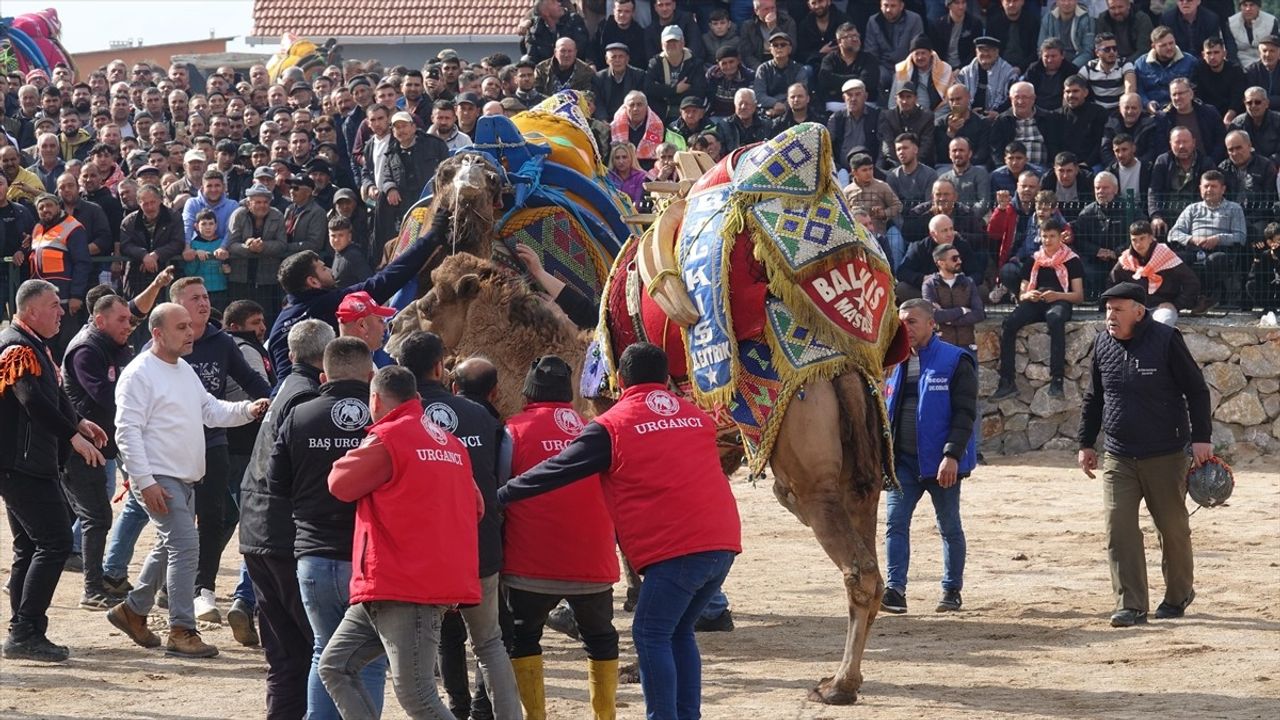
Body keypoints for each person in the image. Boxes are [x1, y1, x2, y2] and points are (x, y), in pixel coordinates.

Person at [499, 342, 741, 720]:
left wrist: (501, 494)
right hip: (723, 543)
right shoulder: (697, 417)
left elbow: (557, 469)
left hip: (677, 551)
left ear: (619, 379)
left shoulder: (612, 426)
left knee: (650, 634)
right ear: (665, 378)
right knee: (678, 632)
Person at [318, 365, 484, 720]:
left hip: (402, 583)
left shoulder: (388, 437)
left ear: (375, 400)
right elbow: (477, 506)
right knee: (334, 666)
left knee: (417, 694)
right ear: (418, 398)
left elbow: (339, 483)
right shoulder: (450, 443)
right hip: (403, 582)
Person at [107, 302, 268, 658]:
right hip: (159, 477)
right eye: (181, 327)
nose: (190, 331)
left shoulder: (182, 369)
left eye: (189, 326)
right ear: (157, 333)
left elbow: (210, 409)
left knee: (169, 547)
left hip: (182, 477)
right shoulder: (139, 374)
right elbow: (127, 432)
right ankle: (181, 629)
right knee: (184, 546)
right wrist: (145, 481)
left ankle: (133, 610)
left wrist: (248, 409)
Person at [395, 331, 522, 719]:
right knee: (491, 642)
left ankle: (458, 709)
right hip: (479, 543)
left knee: (447, 639)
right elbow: (501, 476)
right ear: (439, 367)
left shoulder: (395, 422)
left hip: (427, 553)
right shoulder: (480, 415)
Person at [1077, 282, 1211, 628]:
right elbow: (1094, 397)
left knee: (1173, 528)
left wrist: (1202, 439)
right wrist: (1086, 443)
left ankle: (1179, 593)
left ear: (1140, 311)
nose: (1110, 316)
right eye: (1107, 309)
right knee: (1117, 528)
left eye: (1118, 309)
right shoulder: (1102, 343)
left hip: (1165, 454)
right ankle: (1131, 605)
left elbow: (1196, 390)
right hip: (1118, 455)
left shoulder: (1166, 340)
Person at [273, 336, 390, 720]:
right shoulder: (384, 423)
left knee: (324, 650)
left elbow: (276, 485)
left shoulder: (299, 415)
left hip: (314, 555)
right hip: (367, 560)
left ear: (324, 375)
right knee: (369, 659)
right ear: (371, 375)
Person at [500, 355, 620, 718]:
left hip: (529, 561)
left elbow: (500, 489)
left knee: (523, 639)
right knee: (601, 640)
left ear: (528, 392)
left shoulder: (512, 430)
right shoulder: (593, 430)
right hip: (592, 561)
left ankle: (535, 716)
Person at [1, 280, 107, 662]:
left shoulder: (33, 344)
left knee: (30, 545)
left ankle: (24, 628)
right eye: (54, 305)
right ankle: (25, 631)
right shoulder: (16, 346)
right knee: (56, 541)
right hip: (22, 464)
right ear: (31, 311)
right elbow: (33, 402)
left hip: (30, 461)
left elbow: (54, 397)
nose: (62, 311)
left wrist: (78, 423)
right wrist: (73, 437)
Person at [238, 319, 335, 718]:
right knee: (314, 651)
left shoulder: (286, 390)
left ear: (292, 354)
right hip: (281, 537)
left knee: (285, 657)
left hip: (259, 531)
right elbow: (296, 474)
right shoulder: (306, 399)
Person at [266, 210, 450, 382]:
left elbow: (278, 376)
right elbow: (386, 280)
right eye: (323, 268)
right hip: (321, 395)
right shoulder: (325, 304)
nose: (329, 270)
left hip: (285, 399)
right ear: (313, 282)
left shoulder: (277, 327)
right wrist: (431, 237)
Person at [881, 299, 977, 615]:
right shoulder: (890, 362)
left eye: (912, 322)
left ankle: (951, 591)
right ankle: (895, 591)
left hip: (941, 465)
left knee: (948, 526)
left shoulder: (954, 360)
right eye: (901, 322)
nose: (904, 328)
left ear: (931, 324)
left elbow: (965, 415)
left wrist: (951, 456)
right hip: (904, 463)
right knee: (895, 524)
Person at [59, 292, 135, 610]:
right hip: (77, 445)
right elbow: (106, 396)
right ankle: (92, 589)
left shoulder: (115, 345)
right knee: (95, 516)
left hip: (101, 444)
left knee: (91, 514)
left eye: (129, 320)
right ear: (100, 320)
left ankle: (101, 580)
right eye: (122, 320)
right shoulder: (86, 349)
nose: (129, 325)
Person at [991, 218, 1085, 400]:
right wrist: (1029, 296)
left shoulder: (1072, 261)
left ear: (1060, 238)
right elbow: (1022, 293)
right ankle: (1007, 381)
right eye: (1044, 236)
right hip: (1036, 301)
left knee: (1055, 319)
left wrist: (1057, 295)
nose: (1048, 240)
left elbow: (1079, 296)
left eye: (1052, 236)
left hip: (1060, 300)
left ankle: (1057, 379)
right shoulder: (1034, 260)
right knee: (1009, 324)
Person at [1167, 169, 1248, 310]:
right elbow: (1173, 234)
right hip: (1194, 248)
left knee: (1215, 260)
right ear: (1200, 189)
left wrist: (1218, 239)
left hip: (1222, 250)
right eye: (1206, 186)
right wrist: (1192, 239)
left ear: (1223, 189)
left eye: (1213, 186)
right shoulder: (1192, 209)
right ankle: (1180, 299)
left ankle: (1205, 298)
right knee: (1175, 259)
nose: (1209, 190)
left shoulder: (1234, 209)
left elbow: (1240, 236)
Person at [1108, 220, 1202, 325]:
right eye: (1134, 240)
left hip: (1161, 308)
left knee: (1162, 324)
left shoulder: (1166, 256)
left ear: (1151, 237)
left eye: (1142, 238)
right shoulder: (1125, 260)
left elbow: (1192, 282)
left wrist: (1176, 304)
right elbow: (1112, 284)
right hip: (1134, 309)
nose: (1138, 244)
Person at [921, 242, 987, 351]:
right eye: (954, 259)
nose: (959, 261)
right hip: (941, 346)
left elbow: (979, 314)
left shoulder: (968, 282)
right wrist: (962, 310)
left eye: (959, 257)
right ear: (941, 263)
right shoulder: (930, 285)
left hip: (967, 346)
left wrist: (949, 320)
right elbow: (933, 315)